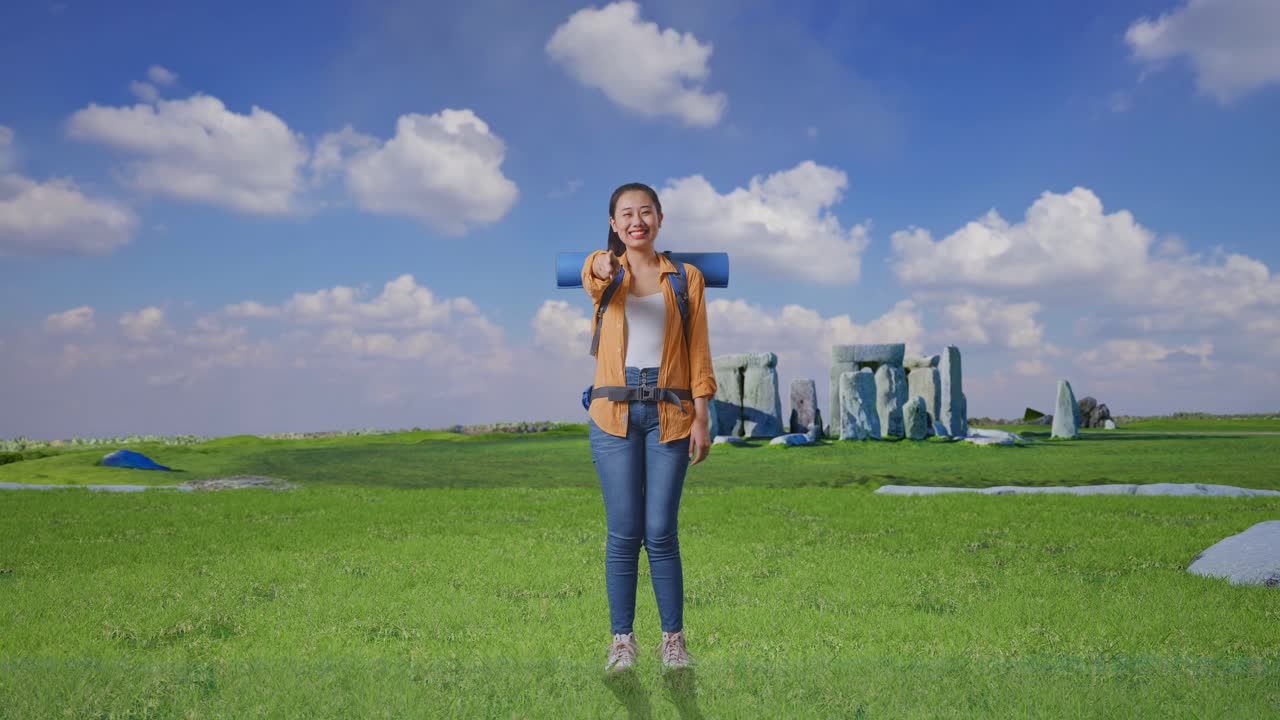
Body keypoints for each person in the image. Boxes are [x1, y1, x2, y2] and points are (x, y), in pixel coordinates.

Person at [581, 182, 716, 675]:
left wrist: (702, 415)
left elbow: (698, 349)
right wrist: (601, 262)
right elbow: (594, 272)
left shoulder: (685, 278)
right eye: (626, 214)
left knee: (660, 532)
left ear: (660, 218)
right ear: (614, 224)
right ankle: (622, 642)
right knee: (623, 532)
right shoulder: (605, 271)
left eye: (646, 212)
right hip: (612, 414)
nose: (637, 221)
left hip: (670, 414)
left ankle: (673, 643)